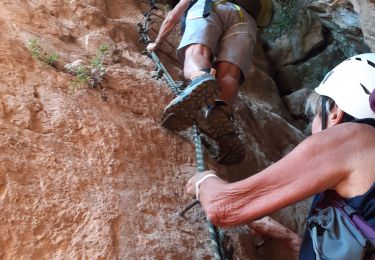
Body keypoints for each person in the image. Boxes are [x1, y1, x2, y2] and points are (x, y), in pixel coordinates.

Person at [186, 53, 375, 259]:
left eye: (315, 114)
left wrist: (203, 180)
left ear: (334, 113)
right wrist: (288, 237)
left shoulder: (352, 139)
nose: (312, 124)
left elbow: (223, 207)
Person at [147, 0, 259, 164]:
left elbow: (173, 16)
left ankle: (201, 78)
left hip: (209, 6)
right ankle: (220, 110)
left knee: (197, 52)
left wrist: (156, 43)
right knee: (230, 74)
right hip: (245, 19)